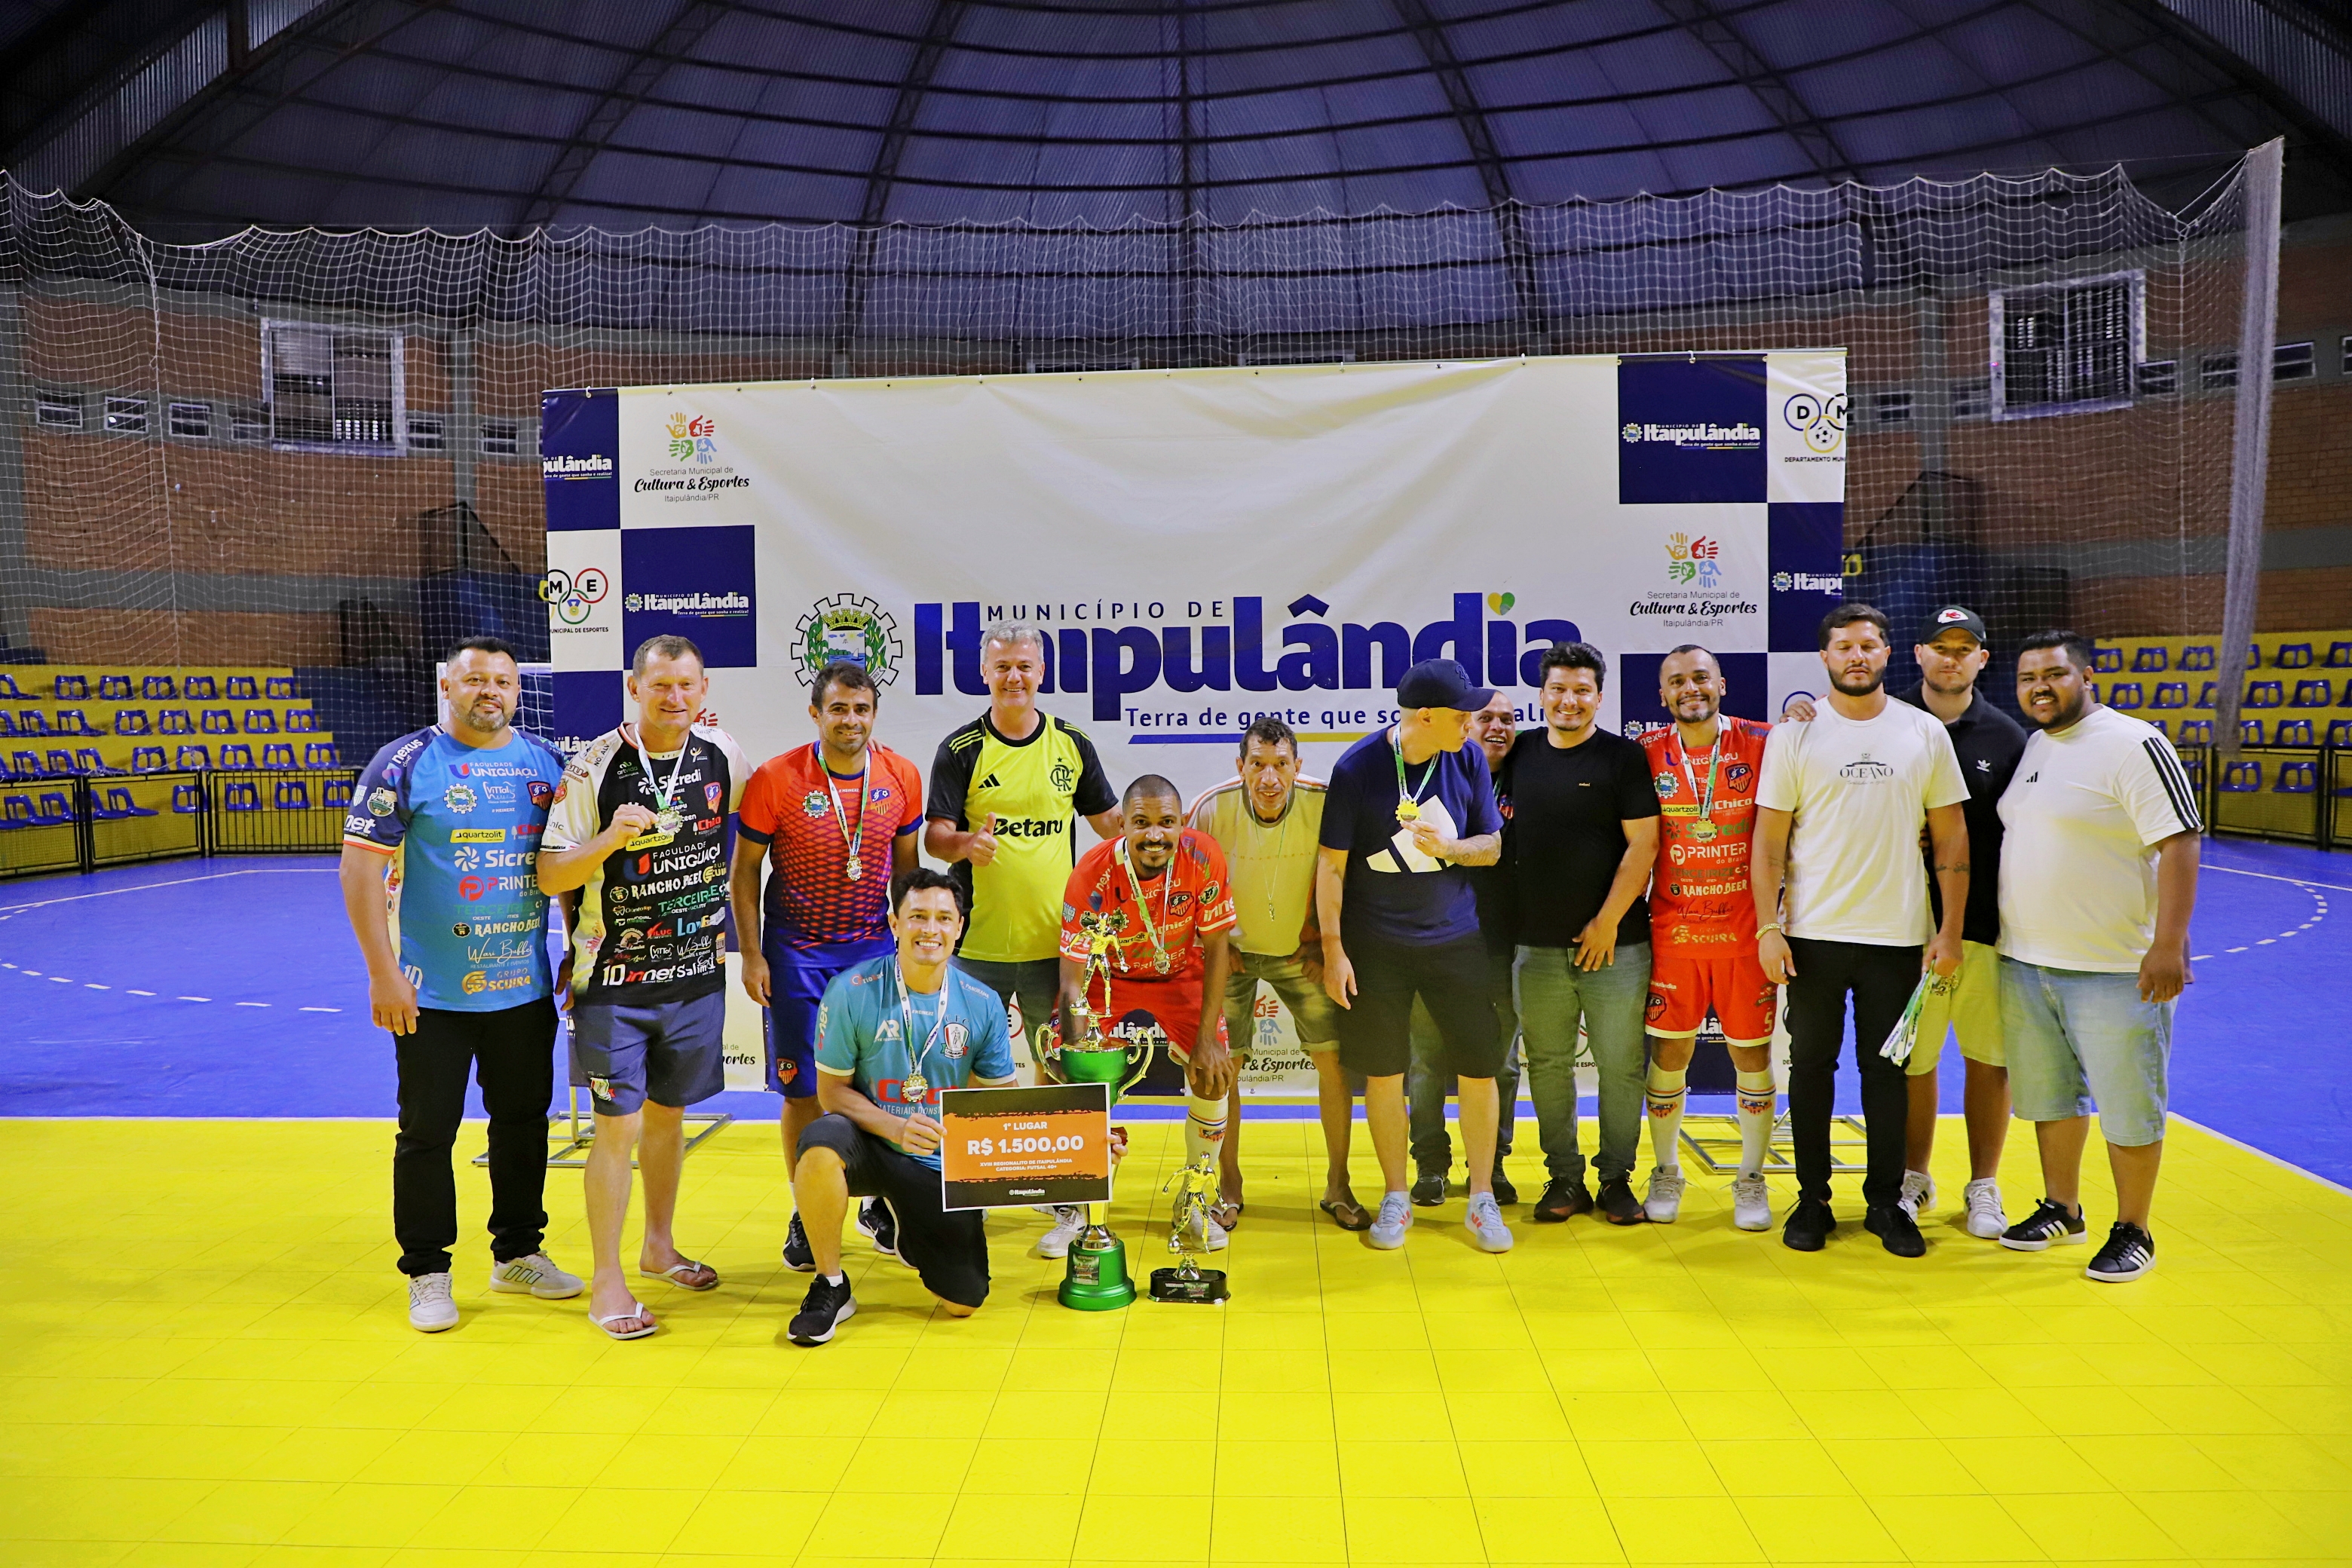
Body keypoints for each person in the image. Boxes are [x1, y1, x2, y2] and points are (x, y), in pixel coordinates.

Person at [337, 636, 577, 1334]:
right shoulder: (406, 763)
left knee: (524, 1124)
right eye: (475, 680)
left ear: (518, 691)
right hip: (431, 995)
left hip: (523, 989)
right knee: (427, 1133)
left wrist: (573, 946)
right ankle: (428, 1272)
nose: (489, 691)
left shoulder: (547, 763)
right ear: (447, 687)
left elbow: (562, 863)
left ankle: (518, 1254)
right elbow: (358, 870)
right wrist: (382, 972)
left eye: (502, 681)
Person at [537, 635, 747, 1339]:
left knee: (667, 1118)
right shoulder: (596, 763)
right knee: (616, 1128)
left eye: (686, 685)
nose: (674, 697)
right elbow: (551, 874)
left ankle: (659, 1247)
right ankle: (607, 1281)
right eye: (660, 685)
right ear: (635, 689)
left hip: (695, 979)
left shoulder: (723, 753)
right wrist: (609, 840)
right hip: (615, 983)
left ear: (704, 688)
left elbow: (759, 829)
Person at [1753, 604, 1971, 1257]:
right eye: (1844, 646)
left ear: (1886, 654)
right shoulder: (1794, 736)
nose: (1856, 656)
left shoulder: (1923, 732)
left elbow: (1952, 837)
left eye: (1868, 646)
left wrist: (1950, 930)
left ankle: (1885, 1201)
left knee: (1886, 1073)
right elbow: (1768, 844)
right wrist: (1767, 927)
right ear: (1824, 657)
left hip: (1897, 937)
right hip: (1813, 935)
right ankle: (1812, 1199)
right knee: (1811, 1069)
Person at [1994, 631, 2200, 1283]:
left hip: (2114, 967)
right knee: (2051, 1097)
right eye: (2028, 678)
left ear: (2087, 678)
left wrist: (2166, 944)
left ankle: (2134, 1229)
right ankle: (2063, 1207)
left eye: (2054, 674)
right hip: (2026, 961)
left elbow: (2181, 842)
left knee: (2128, 1104)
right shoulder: (2035, 746)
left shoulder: (2133, 743)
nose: (2040, 687)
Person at [923, 623, 1121, 1258]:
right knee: (961, 1071)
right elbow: (935, 837)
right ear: (984, 673)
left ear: (1042, 672)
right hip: (975, 948)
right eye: (1003, 666)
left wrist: (1166, 829)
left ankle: (1066, 1199)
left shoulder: (1072, 744)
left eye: (1024, 666)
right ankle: (966, 1192)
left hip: (1055, 950)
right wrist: (966, 844)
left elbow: (1112, 825)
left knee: (1061, 1070)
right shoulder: (961, 748)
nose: (1014, 677)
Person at [730, 659, 923, 1272]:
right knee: (803, 1092)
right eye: (838, 708)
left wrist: (911, 951)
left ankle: (878, 1203)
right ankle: (804, 1209)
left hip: (873, 952)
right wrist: (753, 955)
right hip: (797, 956)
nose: (850, 720)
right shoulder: (776, 778)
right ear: (816, 713)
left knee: (881, 1086)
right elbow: (744, 873)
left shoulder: (901, 776)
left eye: (861, 709)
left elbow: (908, 875)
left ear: (875, 714)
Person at [1318, 657, 1511, 1253]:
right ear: (1425, 716)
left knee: (1479, 1068)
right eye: (1463, 714)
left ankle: (1481, 1198)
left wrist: (1452, 847)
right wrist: (1333, 950)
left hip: (1456, 939)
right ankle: (1396, 1196)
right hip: (1376, 946)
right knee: (1383, 1072)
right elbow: (1331, 866)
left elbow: (1492, 847)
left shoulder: (1467, 757)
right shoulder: (1357, 768)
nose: (1473, 722)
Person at [786, 869, 1018, 1345]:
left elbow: (1002, 1106)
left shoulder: (983, 1003)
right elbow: (831, 1094)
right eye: (917, 916)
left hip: (937, 1157)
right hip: (869, 1141)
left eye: (943, 918)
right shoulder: (852, 990)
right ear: (894, 923)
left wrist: (1083, 1145)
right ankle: (830, 1283)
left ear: (960, 926)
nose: (930, 929)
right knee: (819, 1145)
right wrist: (894, 1128)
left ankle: (904, 1221)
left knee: (963, 1302)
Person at [1505, 644, 1661, 1227]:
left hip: (1616, 946)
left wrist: (1606, 922)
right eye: (1558, 690)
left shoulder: (1623, 757)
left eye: (1581, 691)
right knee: (1547, 1065)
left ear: (1599, 696)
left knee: (1621, 1066)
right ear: (1542, 695)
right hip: (1535, 947)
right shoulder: (1519, 752)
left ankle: (1616, 1178)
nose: (1569, 701)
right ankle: (1564, 1178)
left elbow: (1644, 845)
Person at [1888, 608, 2028, 1239]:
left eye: (1963, 648)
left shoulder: (2009, 737)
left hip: (1983, 927)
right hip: (1902, 929)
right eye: (1940, 647)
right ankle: (1913, 1176)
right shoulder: (1885, 721)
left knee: (1988, 1059)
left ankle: (1984, 1185)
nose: (1951, 658)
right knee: (1914, 1063)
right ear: (1918, 653)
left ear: (1982, 659)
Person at [1187, 719, 1359, 1226]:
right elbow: (1186, 885)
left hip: (1300, 951)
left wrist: (1327, 944)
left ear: (1297, 767)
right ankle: (1229, 1185)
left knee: (1333, 1061)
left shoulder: (1325, 803)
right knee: (1221, 1068)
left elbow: (1352, 877)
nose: (1269, 778)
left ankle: (1339, 1184)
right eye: (1258, 764)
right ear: (1240, 767)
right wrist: (1212, 946)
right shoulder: (1211, 808)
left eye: (1281, 765)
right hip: (1232, 953)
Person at [1638, 645, 1778, 1229]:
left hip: (1746, 933)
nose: (1690, 689)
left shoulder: (1766, 743)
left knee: (1752, 1055)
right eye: (1677, 682)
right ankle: (1666, 1170)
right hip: (1674, 933)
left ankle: (1751, 1178)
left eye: (1700, 677)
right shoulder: (1645, 753)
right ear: (1662, 695)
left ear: (1721, 684)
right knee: (1670, 1054)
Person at [1407, 691, 1524, 1208]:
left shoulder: (1531, 770)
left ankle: (1491, 1165)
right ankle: (1431, 1166)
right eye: (1485, 718)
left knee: (1503, 1065)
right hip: (1437, 942)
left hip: (1503, 947)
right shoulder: (1432, 772)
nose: (1496, 727)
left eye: (1508, 719)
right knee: (1428, 1061)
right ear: (1462, 726)